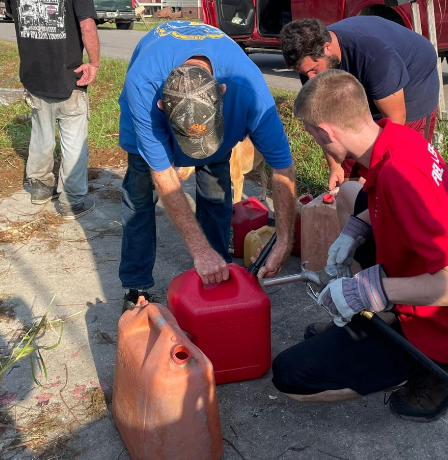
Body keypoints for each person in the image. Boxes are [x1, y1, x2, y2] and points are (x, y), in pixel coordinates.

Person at [272, 69, 448, 423]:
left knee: (291, 377)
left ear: (325, 131)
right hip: (423, 265)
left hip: (446, 314)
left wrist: (371, 289)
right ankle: (379, 315)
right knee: (349, 193)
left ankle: (438, 365)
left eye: (314, 136)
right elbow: (379, 193)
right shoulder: (398, 139)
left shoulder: (400, 178)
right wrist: (356, 228)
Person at [118, 21, 296, 311]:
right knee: (139, 196)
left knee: (216, 190)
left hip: (224, 121)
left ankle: (218, 267)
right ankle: (136, 283)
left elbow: (283, 168)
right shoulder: (145, 87)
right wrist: (197, 250)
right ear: (163, 106)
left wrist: (285, 240)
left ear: (222, 93)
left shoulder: (249, 91)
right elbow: (163, 176)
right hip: (147, 107)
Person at [281, 16, 439, 189]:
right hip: (372, 76)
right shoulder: (310, 64)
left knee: (402, 165)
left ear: (327, 48)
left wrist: (373, 172)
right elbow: (324, 120)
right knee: (350, 141)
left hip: (413, 79)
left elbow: (396, 122)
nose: (311, 78)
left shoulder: (375, 56)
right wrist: (335, 166)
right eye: (304, 73)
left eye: (313, 70)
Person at [6, 0, 100, 219]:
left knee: (41, 134)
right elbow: (87, 25)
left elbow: (17, 17)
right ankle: (72, 202)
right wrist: (94, 63)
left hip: (34, 77)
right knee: (74, 142)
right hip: (70, 78)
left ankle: (40, 188)